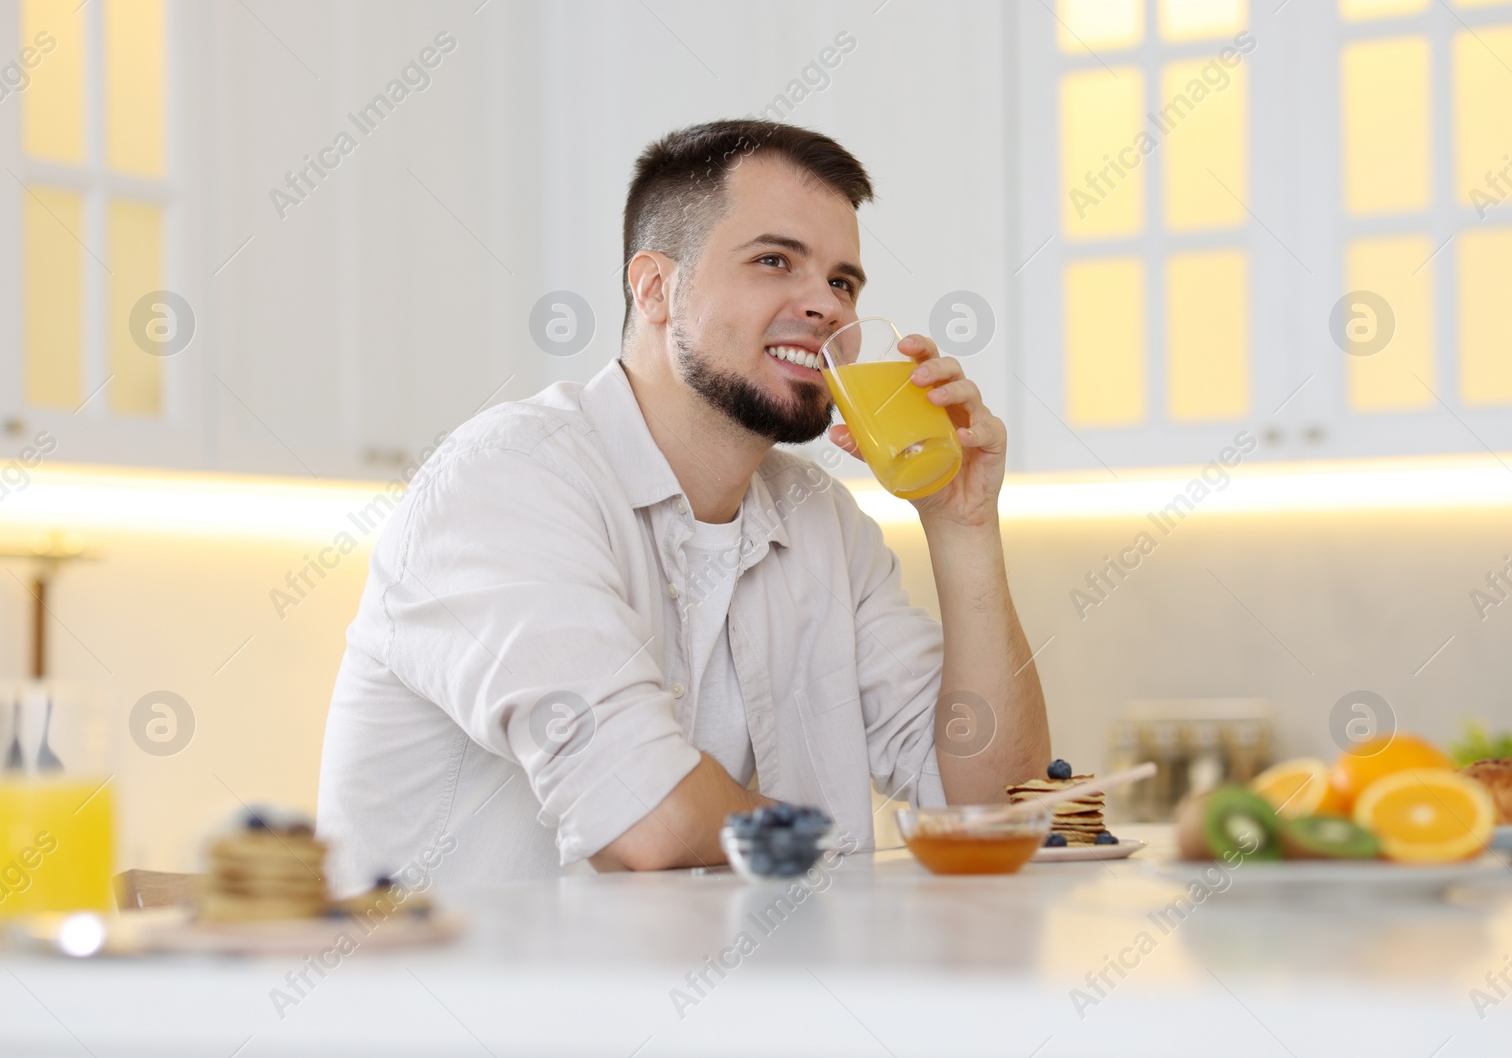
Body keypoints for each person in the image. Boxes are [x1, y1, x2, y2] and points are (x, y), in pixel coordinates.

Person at [316, 119, 1049, 890]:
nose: (828, 307)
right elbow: (649, 818)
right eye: (775, 261)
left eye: (842, 282)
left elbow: (997, 806)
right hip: (463, 1002)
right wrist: (837, 860)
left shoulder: (824, 522)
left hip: (714, 999)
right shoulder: (505, 480)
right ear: (655, 288)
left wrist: (962, 523)